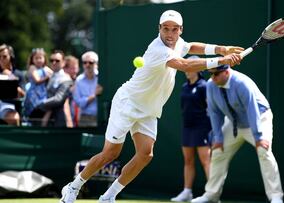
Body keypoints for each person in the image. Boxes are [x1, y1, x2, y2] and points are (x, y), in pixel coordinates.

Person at [59, 10, 243, 203]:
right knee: (111, 153)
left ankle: (109, 196)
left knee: (145, 154)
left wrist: (222, 48)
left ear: (180, 30)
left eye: (174, 30)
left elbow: (191, 46)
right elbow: (185, 65)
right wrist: (222, 60)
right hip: (127, 104)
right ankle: (73, 187)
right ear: (159, 29)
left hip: (148, 110)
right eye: (165, 29)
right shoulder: (158, 49)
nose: (169, 34)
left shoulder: (178, 43)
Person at [191, 65, 283, 203]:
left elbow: (252, 109)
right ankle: (211, 195)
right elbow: (214, 113)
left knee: (264, 151)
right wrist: (218, 138)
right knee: (217, 151)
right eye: (211, 74)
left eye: (216, 74)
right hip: (234, 122)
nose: (213, 78)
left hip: (259, 118)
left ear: (227, 72)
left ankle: (275, 196)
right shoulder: (211, 85)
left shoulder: (241, 83)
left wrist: (258, 136)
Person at [171, 56, 211, 202]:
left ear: (198, 69)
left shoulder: (204, 86)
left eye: (189, 67)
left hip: (202, 127)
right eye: (185, 67)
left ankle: (213, 193)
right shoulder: (184, 87)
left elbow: (210, 108)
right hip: (187, 127)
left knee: (206, 160)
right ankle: (187, 192)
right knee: (188, 160)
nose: (186, 70)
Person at [36, 50, 73, 127]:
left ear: (63, 63)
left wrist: (40, 105)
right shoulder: (50, 76)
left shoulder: (66, 79)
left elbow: (58, 99)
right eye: (52, 60)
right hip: (47, 119)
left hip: (59, 120)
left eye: (57, 61)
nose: (54, 62)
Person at [23, 48, 53, 125]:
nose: (39, 60)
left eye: (40, 58)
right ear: (32, 59)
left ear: (44, 59)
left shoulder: (45, 68)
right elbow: (37, 80)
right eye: (36, 58)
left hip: (43, 95)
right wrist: (47, 77)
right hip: (34, 95)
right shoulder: (32, 68)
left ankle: (43, 124)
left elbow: (53, 75)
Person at [73, 51, 103, 127]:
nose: (87, 65)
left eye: (90, 62)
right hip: (85, 118)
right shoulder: (79, 80)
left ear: (96, 64)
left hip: (102, 118)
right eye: (85, 62)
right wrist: (94, 95)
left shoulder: (102, 78)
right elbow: (79, 103)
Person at [64, 55, 80, 126]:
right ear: (65, 69)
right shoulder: (63, 82)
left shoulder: (78, 81)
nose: (75, 71)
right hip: (66, 120)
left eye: (76, 68)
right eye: (73, 68)